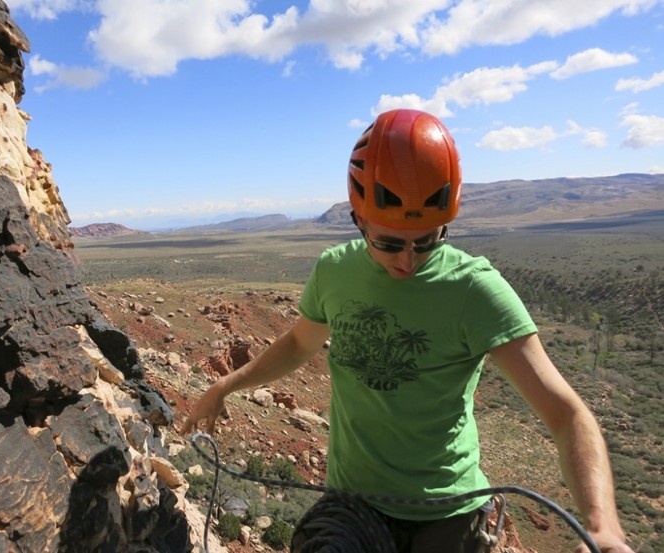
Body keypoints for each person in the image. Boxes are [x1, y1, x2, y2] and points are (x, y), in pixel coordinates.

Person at [180, 109, 633, 553]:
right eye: (389, 243)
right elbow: (300, 343)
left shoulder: (475, 289)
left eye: (428, 241)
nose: (407, 261)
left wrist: (602, 524)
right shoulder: (334, 272)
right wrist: (228, 384)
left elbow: (566, 414)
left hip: (448, 517)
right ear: (358, 220)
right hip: (352, 506)